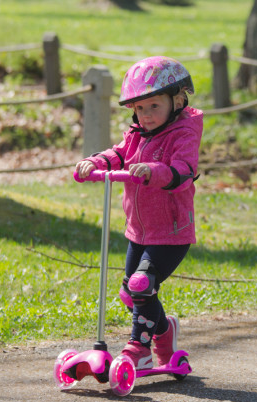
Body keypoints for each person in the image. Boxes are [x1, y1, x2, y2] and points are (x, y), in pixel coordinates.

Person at [75, 56, 203, 369]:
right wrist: (96, 163)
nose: (145, 115)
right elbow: (119, 154)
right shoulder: (137, 133)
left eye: (153, 106)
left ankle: (139, 348)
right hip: (139, 231)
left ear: (178, 100)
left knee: (142, 284)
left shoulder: (183, 133)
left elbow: (182, 170)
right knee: (131, 294)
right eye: (139, 108)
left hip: (171, 232)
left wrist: (154, 171)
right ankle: (164, 331)